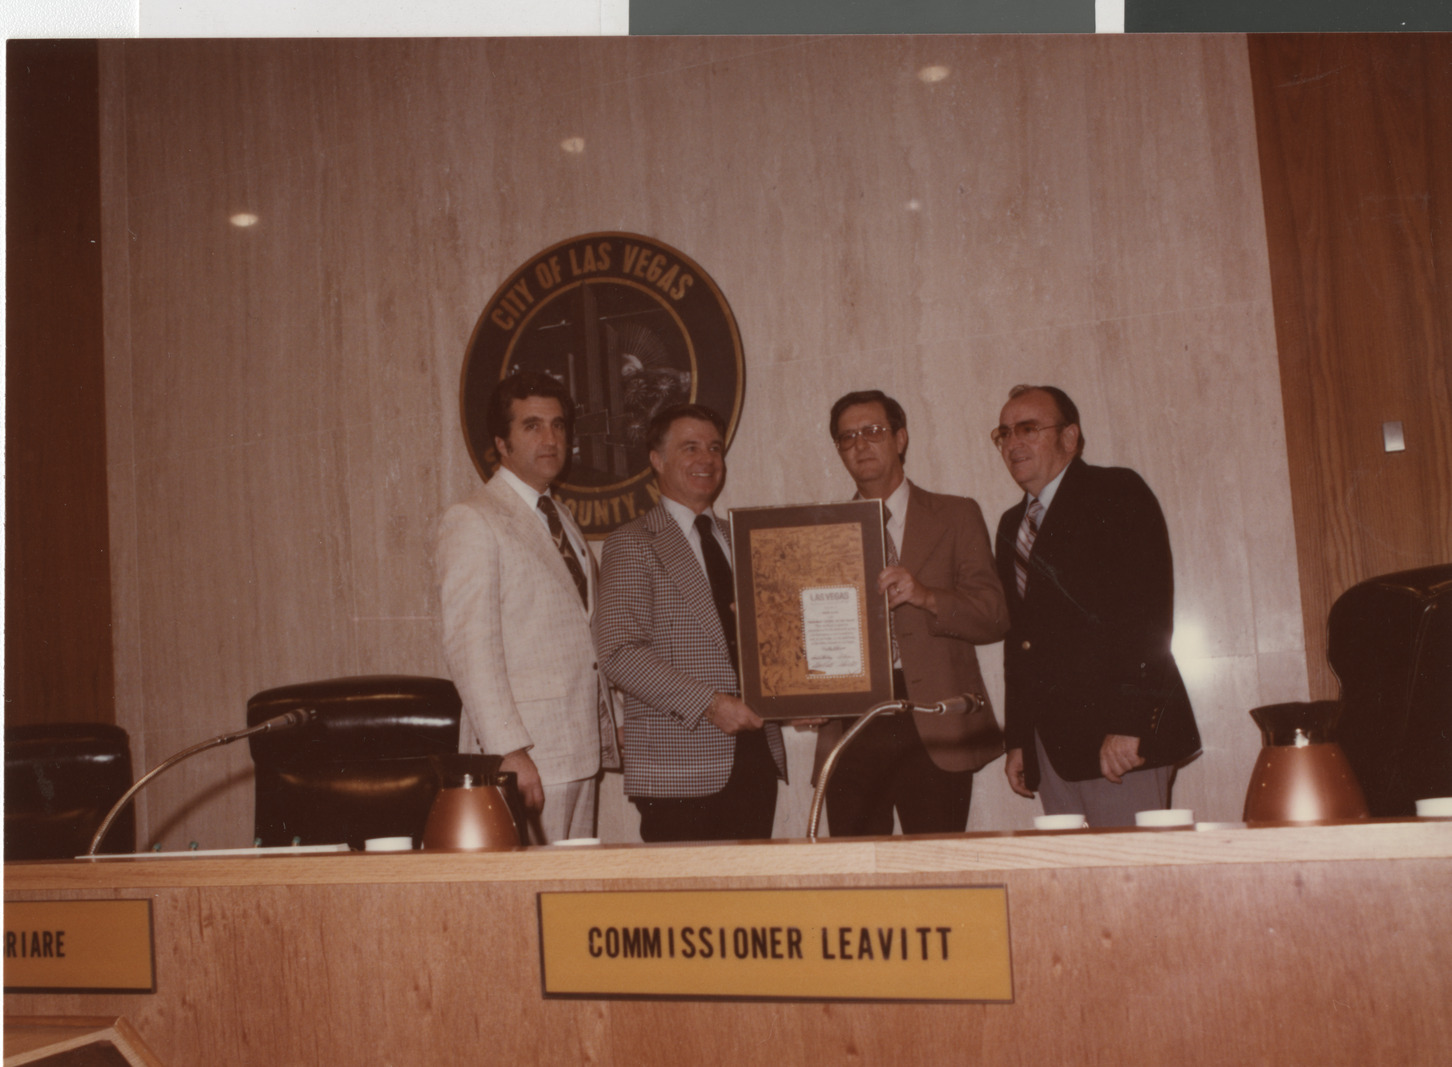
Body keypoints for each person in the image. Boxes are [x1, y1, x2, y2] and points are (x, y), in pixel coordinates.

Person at [992, 384, 1201, 827]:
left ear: (1069, 438)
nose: (1014, 443)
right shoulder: (1012, 525)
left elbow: (1148, 615)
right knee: (1076, 887)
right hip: (1049, 748)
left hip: (1120, 744)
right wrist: (1019, 740)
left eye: (1029, 429)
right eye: (1005, 433)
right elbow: (1020, 640)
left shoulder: (1116, 491)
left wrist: (1130, 724)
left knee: (1131, 884)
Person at [813, 390, 1009, 836]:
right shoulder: (822, 530)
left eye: (873, 432)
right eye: (847, 438)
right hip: (852, 721)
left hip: (934, 718)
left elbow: (995, 615)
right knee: (860, 883)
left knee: (938, 875)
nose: (860, 445)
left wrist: (926, 597)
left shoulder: (957, 514)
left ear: (901, 438)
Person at [435, 371, 618, 844]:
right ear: (502, 442)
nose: (550, 438)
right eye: (532, 426)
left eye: (558, 426)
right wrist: (510, 752)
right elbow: (470, 650)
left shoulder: (559, 516)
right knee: (530, 899)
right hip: (527, 756)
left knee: (568, 896)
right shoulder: (474, 519)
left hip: (576, 749)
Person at [595, 403, 786, 842]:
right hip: (678, 767)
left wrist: (799, 698)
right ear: (657, 460)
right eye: (690, 448)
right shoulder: (632, 543)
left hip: (756, 753)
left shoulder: (745, 539)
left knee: (751, 904)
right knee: (689, 908)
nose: (707, 459)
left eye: (715, 448)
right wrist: (711, 704)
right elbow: (619, 653)